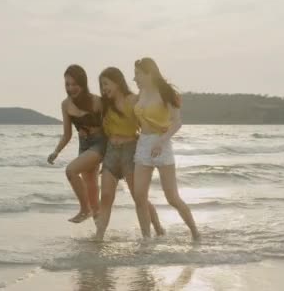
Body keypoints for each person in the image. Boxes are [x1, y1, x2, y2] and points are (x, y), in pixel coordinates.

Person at [131, 57, 200, 240]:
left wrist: (161, 141)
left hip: (162, 145)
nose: (134, 78)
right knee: (139, 196)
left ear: (149, 73)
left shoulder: (165, 93)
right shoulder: (141, 93)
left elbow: (177, 122)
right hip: (143, 145)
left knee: (172, 198)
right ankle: (146, 239)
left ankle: (195, 232)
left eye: (137, 74)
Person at [94, 67, 164, 241]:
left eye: (106, 84)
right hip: (111, 153)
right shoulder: (105, 106)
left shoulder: (133, 100)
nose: (103, 89)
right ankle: (99, 236)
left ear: (117, 82)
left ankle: (157, 228)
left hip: (131, 151)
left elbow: (151, 106)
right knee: (106, 197)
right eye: (101, 85)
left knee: (139, 197)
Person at [48, 64, 106, 223]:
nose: (70, 88)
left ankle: (84, 209)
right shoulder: (65, 105)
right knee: (92, 191)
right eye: (67, 84)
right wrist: (56, 151)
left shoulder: (97, 101)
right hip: (84, 145)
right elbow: (67, 134)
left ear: (83, 82)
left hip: (99, 144)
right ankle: (99, 236)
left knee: (71, 171)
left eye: (74, 84)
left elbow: (110, 126)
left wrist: (112, 156)